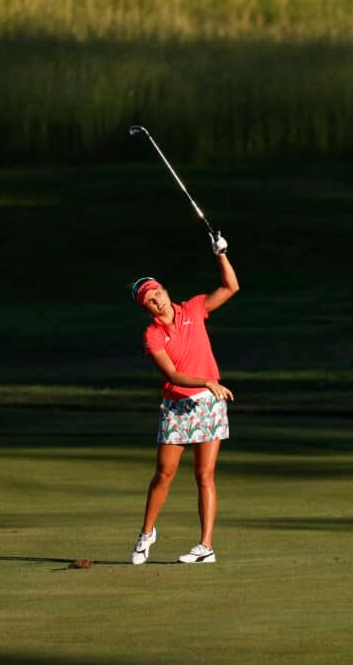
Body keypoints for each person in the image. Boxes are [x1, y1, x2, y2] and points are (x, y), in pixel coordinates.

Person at [129, 231, 238, 565]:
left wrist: (221, 253)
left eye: (158, 293)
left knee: (205, 476)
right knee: (164, 473)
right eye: (150, 300)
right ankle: (147, 533)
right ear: (146, 307)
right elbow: (173, 376)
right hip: (178, 405)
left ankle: (206, 546)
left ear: (165, 291)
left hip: (209, 404)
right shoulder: (152, 335)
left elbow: (230, 287)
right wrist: (207, 382)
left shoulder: (193, 307)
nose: (158, 301)